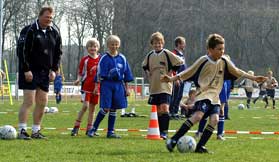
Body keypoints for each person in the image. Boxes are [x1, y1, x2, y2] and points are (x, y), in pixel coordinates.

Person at [161, 33, 267, 153]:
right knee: (198, 116)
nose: (222, 51)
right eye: (219, 49)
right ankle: (173, 140)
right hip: (203, 94)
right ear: (210, 49)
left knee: (215, 119)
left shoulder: (224, 61)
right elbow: (188, 72)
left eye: (223, 49)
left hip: (215, 97)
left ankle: (200, 146)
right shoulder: (203, 60)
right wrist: (171, 79)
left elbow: (238, 71)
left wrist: (254, 78)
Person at [17, 6, 62, 140]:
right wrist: (26, 70)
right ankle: (22, 130)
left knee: (42, 102)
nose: (49, 19)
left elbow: (58, 53)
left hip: (45, 73)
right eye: (47, 17)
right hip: (30, 71)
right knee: (29, 101)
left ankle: (36, 131)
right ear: (40, 16)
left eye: (51, 17)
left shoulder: (54, 32)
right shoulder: (29, 30)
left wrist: (54, 70)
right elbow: (21, 51)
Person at [87, 35, 134, 138]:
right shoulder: (104, 58)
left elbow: (126, 75)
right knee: (106, 108)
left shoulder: (122, 58)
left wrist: (127, 88)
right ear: (108, 45)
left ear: (119, 45)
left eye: (116, 44)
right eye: (112, 44)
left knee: (114, 108)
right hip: (107, 84)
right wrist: (96, 86)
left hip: (118, 85)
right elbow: (99, 74)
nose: (114, 46)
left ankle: (110, 132)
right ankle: (93, 129)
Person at [142, 32, 184, 139]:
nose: (158, 45)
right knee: (158, 110)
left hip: (165, 86)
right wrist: (147, 73)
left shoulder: (166, 53)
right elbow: (144, 66)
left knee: (165, 108)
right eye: (155, 43)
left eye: (160, 43)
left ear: (163, 43)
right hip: (154, 86)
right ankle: (159, 131)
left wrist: (172, 72)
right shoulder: (150, 55)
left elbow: (180, 62)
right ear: (152, 44)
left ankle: (164, 132)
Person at [71, 38, 100, 136]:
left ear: (98, 48)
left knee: (92, 109)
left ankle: (89, 129)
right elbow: (80, 73)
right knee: (85, 106)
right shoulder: (85, 60)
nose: (93, 48)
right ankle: (75, 127)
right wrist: (78, 79)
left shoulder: (101, 59)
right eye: (91, 46)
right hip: (86, 86)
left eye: (95, 46)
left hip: (97, 88)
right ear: (87, 48)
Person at [169, 36, 187, 120]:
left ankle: (176, 112)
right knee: (174, 96)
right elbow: (172, 66)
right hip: (176, 78)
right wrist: (175, 77)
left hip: (182, 78)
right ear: (179, 44)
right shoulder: (174, 53)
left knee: (179, 96)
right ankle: (171, 112)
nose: (185, 45)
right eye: (183, 43)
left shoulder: (181, 54)